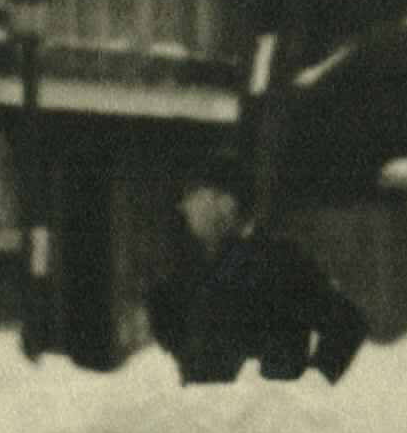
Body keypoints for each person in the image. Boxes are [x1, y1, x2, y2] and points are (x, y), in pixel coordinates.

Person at [148, 161, 368, 387]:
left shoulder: (279, 261)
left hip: (267, 406)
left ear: (225, 202)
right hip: (208, 407)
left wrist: (313, 383)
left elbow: (347, 322)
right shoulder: (195, 268)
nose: (184, 208)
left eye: (193, 196)